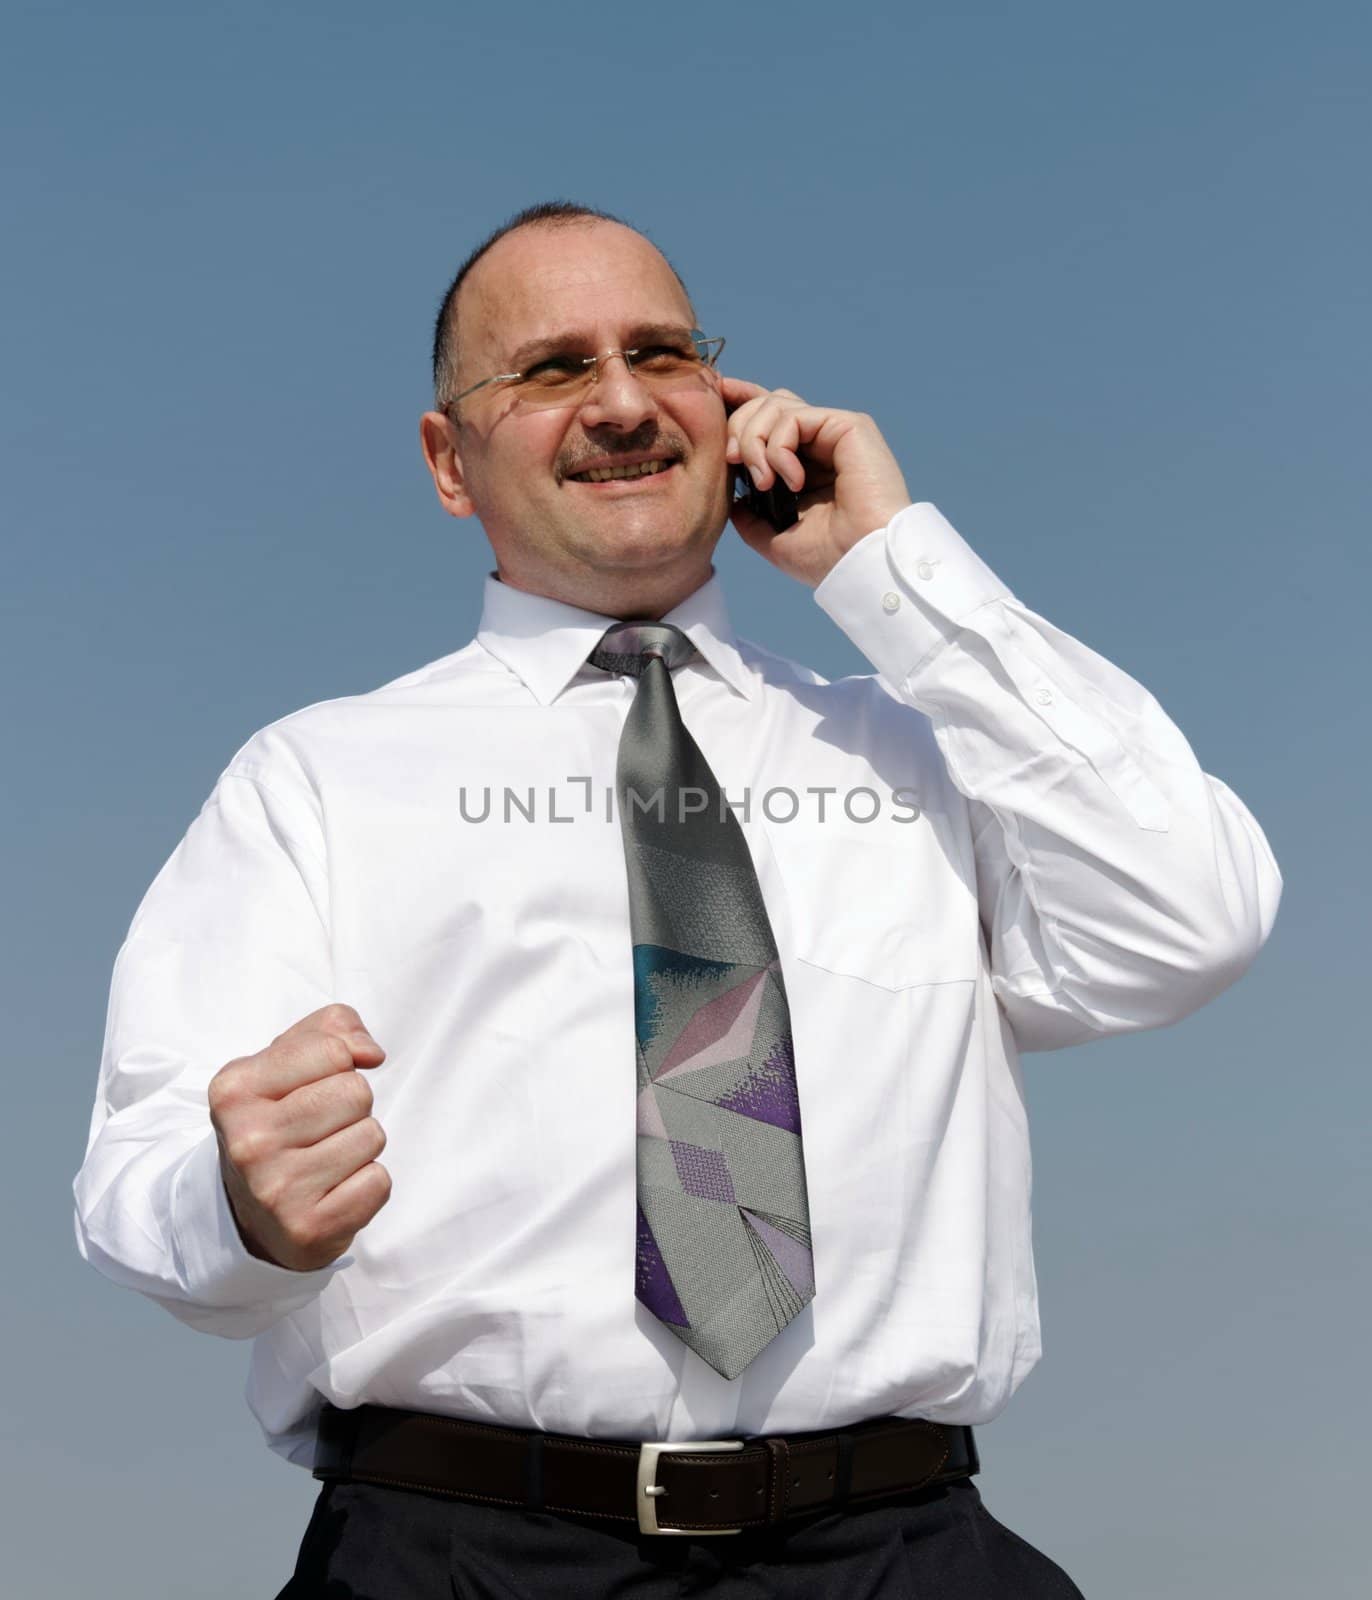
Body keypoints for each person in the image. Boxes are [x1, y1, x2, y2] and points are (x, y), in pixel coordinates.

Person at [73, 200, 1282, 1597]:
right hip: (462, 1557)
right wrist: (239, 1205)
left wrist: (890, 568)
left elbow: (1190, 919)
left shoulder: (926, 752)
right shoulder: (316, 784)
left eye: (663, 354)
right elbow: (135, 1182)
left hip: (899, 1550)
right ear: (447, 461)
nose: (626, 404)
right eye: (552, 369)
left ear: (731, 401)